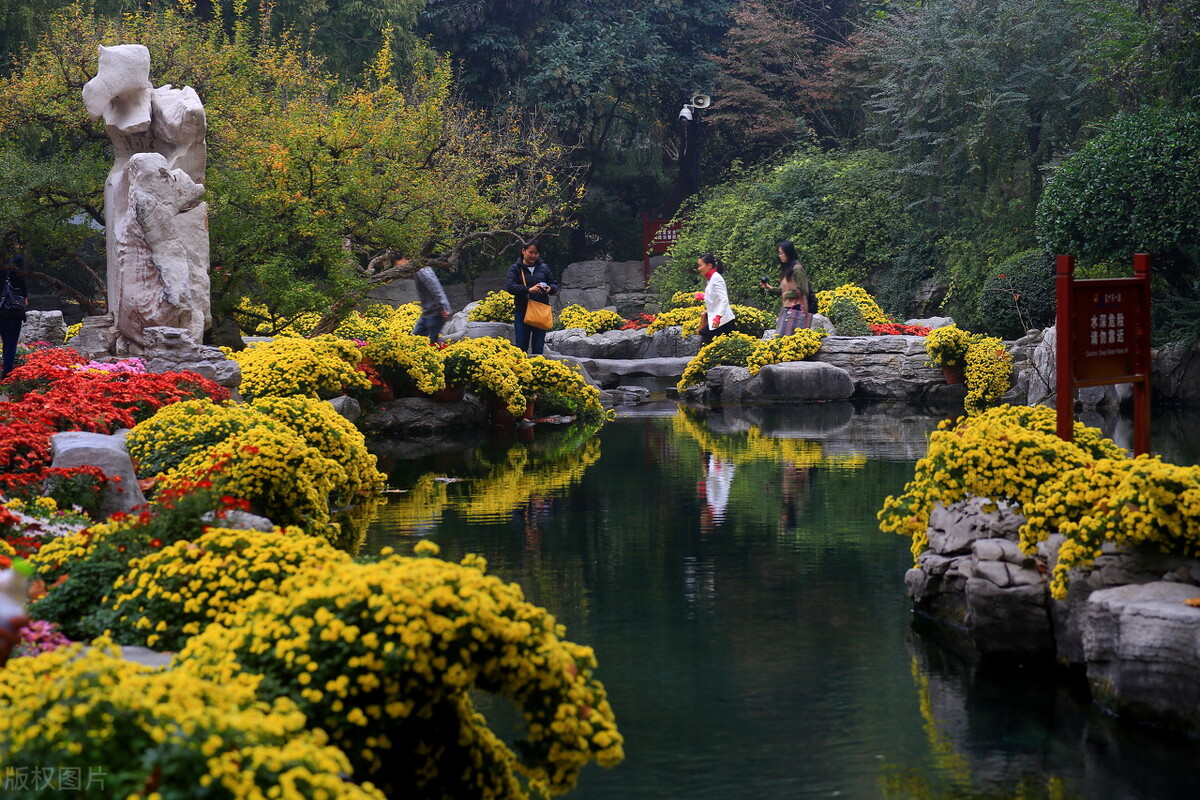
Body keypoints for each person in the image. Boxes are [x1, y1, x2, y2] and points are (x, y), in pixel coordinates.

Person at [505, 240, 558, 355]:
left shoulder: (543, 267)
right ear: (523, 251)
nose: (534, 255)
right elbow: (510, 287)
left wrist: (550, 289)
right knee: (521, 347)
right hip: (522, 311)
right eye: (531, 252)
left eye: (536, 253)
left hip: (540, 311)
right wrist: (528, 290)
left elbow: (554, 285)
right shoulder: (515, 268)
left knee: (538, 347)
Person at [758, 240, 811, 336]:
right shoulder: (787, 269)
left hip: (797, 308)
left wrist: (787, 294)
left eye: (782, 253)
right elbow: (784, 290)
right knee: (783, 336)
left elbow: (803, 290)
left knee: (792, 336)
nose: (780, 256)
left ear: (788, 253)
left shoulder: (797, 269)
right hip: (787, 307)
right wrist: (769, 287)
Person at [402, 254, 452, 343]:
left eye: (397, 264)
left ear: (404, 259)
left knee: (432, 341)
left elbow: (435, 288)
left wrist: (443, 307)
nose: (397, 268)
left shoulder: (422, 270)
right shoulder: (416, 270)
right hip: (427, 313)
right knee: (415, 339)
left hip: (436, 312)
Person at [694, 253, 736, 345]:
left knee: (705, 345)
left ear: (709, 265)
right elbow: (714, 297)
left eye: (700, 265)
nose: (699, 268)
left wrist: (718, 317)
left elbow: (724, 300)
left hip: (722, 321)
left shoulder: (716, 278)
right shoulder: (711, 279)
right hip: (717, 320)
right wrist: (703, 297)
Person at [0, 253, 29, 380]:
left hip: (1, 310)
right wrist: (25, 296)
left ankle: (5, 368)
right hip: (12, 311)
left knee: (6, 342)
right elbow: (21, 283)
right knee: (11, 343)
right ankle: (6, 374)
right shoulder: (17, 266)